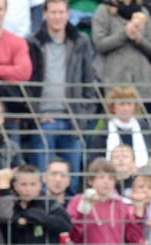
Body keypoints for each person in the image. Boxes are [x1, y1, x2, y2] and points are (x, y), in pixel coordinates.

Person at [25, 0, 97, 176]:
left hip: (72, 121)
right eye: (53, 12)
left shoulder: (81, 41)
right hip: (43, 121)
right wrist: (35, 114)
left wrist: (83, 115)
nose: (57, 17)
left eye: (61, 12)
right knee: (42, 178)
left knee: (71, 180)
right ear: (44, 14)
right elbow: (27, 83)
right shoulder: (32, 42)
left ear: (68, 14)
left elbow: (89, 80)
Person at [91, 0, 151, 111]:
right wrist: (124, 33)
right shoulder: (103, 10)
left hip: (141, 80)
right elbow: (99, 44)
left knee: (150, 121)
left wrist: (138, 38)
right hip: (113, 80)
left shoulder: (143, 11)